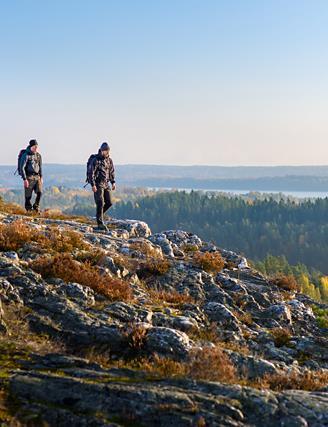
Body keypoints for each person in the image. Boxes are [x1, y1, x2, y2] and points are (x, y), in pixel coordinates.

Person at [88, 142, 116, 231]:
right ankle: (100, 223)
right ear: (101, 150)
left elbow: (111, 172)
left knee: (109, 202)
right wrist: (92, 184)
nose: (106, 152)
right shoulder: (96, 160)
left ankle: (99, 215)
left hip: (106, 184)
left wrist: (113, 182)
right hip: (97, 184)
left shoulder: (109, 160)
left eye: (107, 150)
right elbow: (90, 173)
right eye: (104, 150)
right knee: (100, 202)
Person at [20, 139, 43, 213]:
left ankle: (36, 207)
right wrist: (24, 179)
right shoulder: (26, 155)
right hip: (29, 177)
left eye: (36, 146)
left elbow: (40, 166)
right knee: (28, 196)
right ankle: (29, 210)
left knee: (39, 192)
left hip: (37, 177)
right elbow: (22, 167)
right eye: (34, 146)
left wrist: (41, 177)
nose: (36, 148)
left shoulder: (38, 155)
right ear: (31, 146)